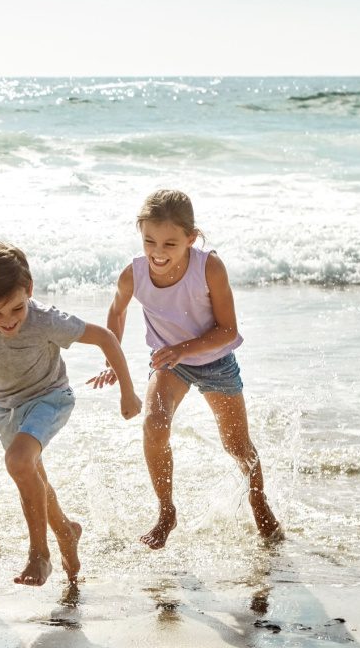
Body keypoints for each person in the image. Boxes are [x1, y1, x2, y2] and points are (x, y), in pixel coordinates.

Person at [102, 189, 283, 549]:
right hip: (170, 364)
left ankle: (258, 500)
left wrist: (183, 348)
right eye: (149, 240)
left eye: (170, 243)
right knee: (154, 424)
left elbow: (228, 330)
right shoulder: (132, 275)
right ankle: (166, 512)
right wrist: (112, 357)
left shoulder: (208, 268)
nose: (157, 251)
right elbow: (118, 311)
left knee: (236, 444)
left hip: (214, 360)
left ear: (191, 238)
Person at [0, 241, 141, 586]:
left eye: (16, 309)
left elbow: (104, 337)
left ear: (28, 290)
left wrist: (127, 391)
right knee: (32, 474)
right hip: (5, 408)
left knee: (17, 462)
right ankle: (67, 532)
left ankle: (39, 555)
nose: (8, 322)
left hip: (49, 398)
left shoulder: (46, 321)